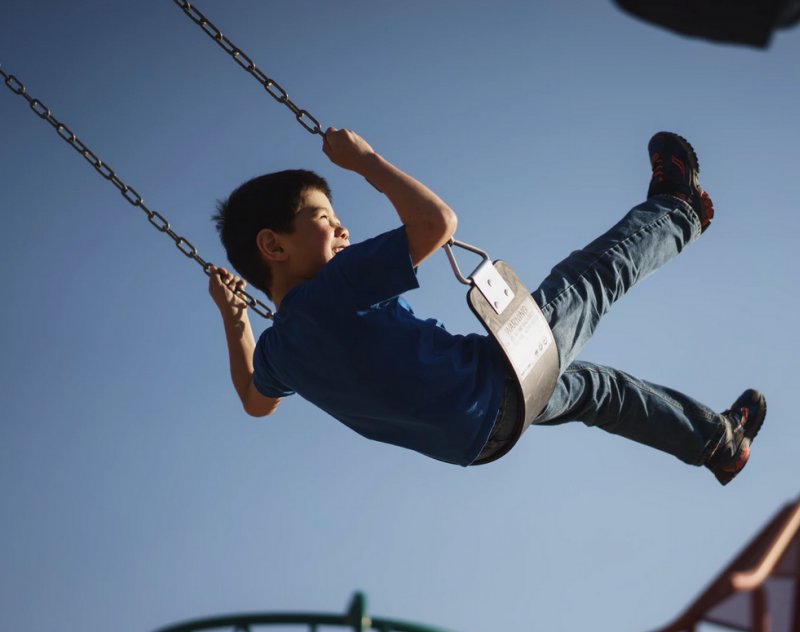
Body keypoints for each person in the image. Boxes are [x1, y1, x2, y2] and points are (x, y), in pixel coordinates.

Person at [208, 129, 766, 485]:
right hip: (491, 385)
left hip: (477, 440)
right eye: (323, 217)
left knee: (600, 392)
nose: (341, 225)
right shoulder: (334, 288)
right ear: (273, 245)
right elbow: (436, 224)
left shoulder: (279, 349)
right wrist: (366, 161)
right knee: (588, 281)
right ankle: (679, 210)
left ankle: (717, 442)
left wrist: (237, 323)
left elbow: (256, 401)